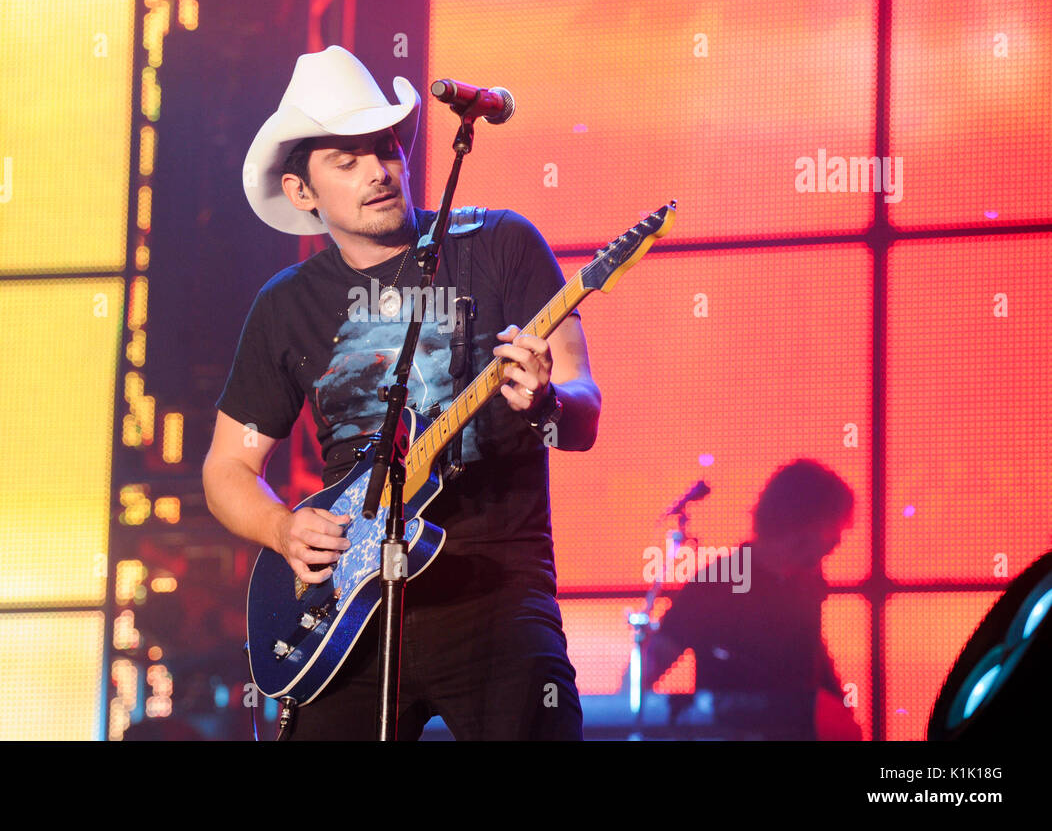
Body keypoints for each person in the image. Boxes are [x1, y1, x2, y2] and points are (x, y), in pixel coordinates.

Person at [201, 45, 601, 740]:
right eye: (346, 160)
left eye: (384, 148)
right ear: (302, 192)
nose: (378, 171)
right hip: (347, 621)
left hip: (498, 601)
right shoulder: (285, 307)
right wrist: (282, 527)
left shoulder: (503, 245)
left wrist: (547, 404)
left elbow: (583, 413)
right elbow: (226, 469)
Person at [631, 458, 862, 740]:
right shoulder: (717, 582)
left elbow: (811, 656)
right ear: (802, 522)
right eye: (833, 526)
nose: (837, 541)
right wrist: (619, 716)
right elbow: (655, 661)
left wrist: (839, 712)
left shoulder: (808, 580)